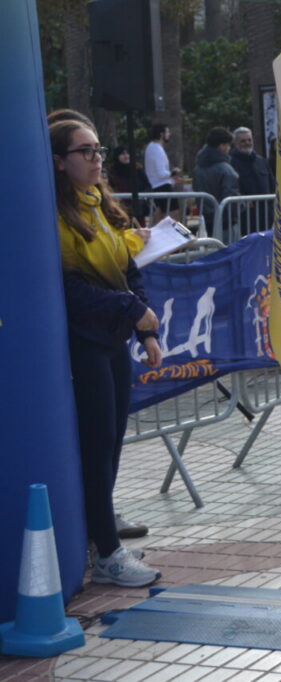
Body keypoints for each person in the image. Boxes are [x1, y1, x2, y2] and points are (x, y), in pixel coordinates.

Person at [49, 119, 164, 586]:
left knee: (113, 442)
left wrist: (145, 332)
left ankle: (102, 533)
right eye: (85, 151)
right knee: (96, 448)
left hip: (115, 339)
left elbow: (126, 267)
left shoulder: (100, 203)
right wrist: (132, 310)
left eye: (99, 149)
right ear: (59, 162)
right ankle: (106, 553)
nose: (97, 158)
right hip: (84, 344)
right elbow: (70, 289)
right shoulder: (55, 217)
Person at [230, 126, 276, 235]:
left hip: (266, 215)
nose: (247, 143)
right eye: (243, 141)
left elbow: (272, 184)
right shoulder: (231, 162)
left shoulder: (261, 161)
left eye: (249, 140)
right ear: (236, 143)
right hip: (245, 216)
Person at [192, 126, 240, 228]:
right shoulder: (226, 169)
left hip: (206, 217)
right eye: (228, 145)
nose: (229, 148)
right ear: (222, 146)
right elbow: (231, 196)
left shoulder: (197, 168)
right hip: (226, 221)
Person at [144, 122, 181, 223]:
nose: (169, 134)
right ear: (161, 134)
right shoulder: (156, 149)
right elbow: (161, 173)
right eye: (167, 132)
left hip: (157, 186)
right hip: (163, 187)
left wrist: (172, 180)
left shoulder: (151, 147)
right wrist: (173, 173)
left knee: (159, 218)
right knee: (174, 219)